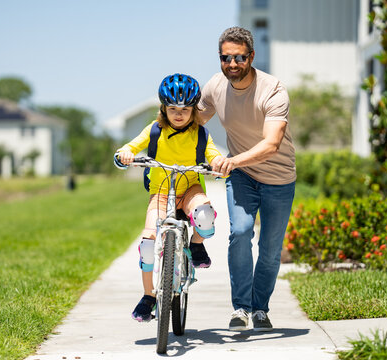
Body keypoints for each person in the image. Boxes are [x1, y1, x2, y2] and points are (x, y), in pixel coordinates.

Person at [199, 27, 296, 332]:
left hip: (279, 178)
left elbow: (271, 144)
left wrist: (229, 160)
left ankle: (260, 309)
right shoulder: (215, 86)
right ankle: (241, 308)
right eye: (226, 58)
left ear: (251, 56)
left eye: (239, 57)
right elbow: (190, 121)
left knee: (269, 249)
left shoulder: (273, 89)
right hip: (242, 175)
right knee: (240, 233)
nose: (232, 64)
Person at [115, 73, 223, 322]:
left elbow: (213, 153)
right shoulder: (154, 130)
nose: (179, 113)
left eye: (185, 109)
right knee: (149, 243)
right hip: (161, 192)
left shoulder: (201, 133)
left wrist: (217, 162)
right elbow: (130, 146)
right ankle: (149, 296)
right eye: (173, 108)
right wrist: (125, 155)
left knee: (205, 216)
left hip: (190, 190)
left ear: (193, 110)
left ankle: (196, 244)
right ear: (163, 108)